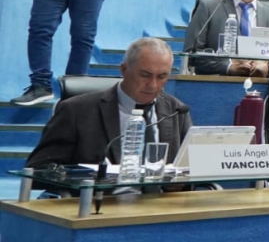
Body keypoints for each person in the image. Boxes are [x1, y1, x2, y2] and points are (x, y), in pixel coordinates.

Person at [25, 38, 190, 170]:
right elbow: (39, 168)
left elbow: (190, 168)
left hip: (160, 207)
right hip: (97, 204)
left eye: (161, 77)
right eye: (145, 75)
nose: (153, 85)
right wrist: (89, 178)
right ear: (124, 70)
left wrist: (181, 182)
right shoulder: (76, 111)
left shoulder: (176, 110)